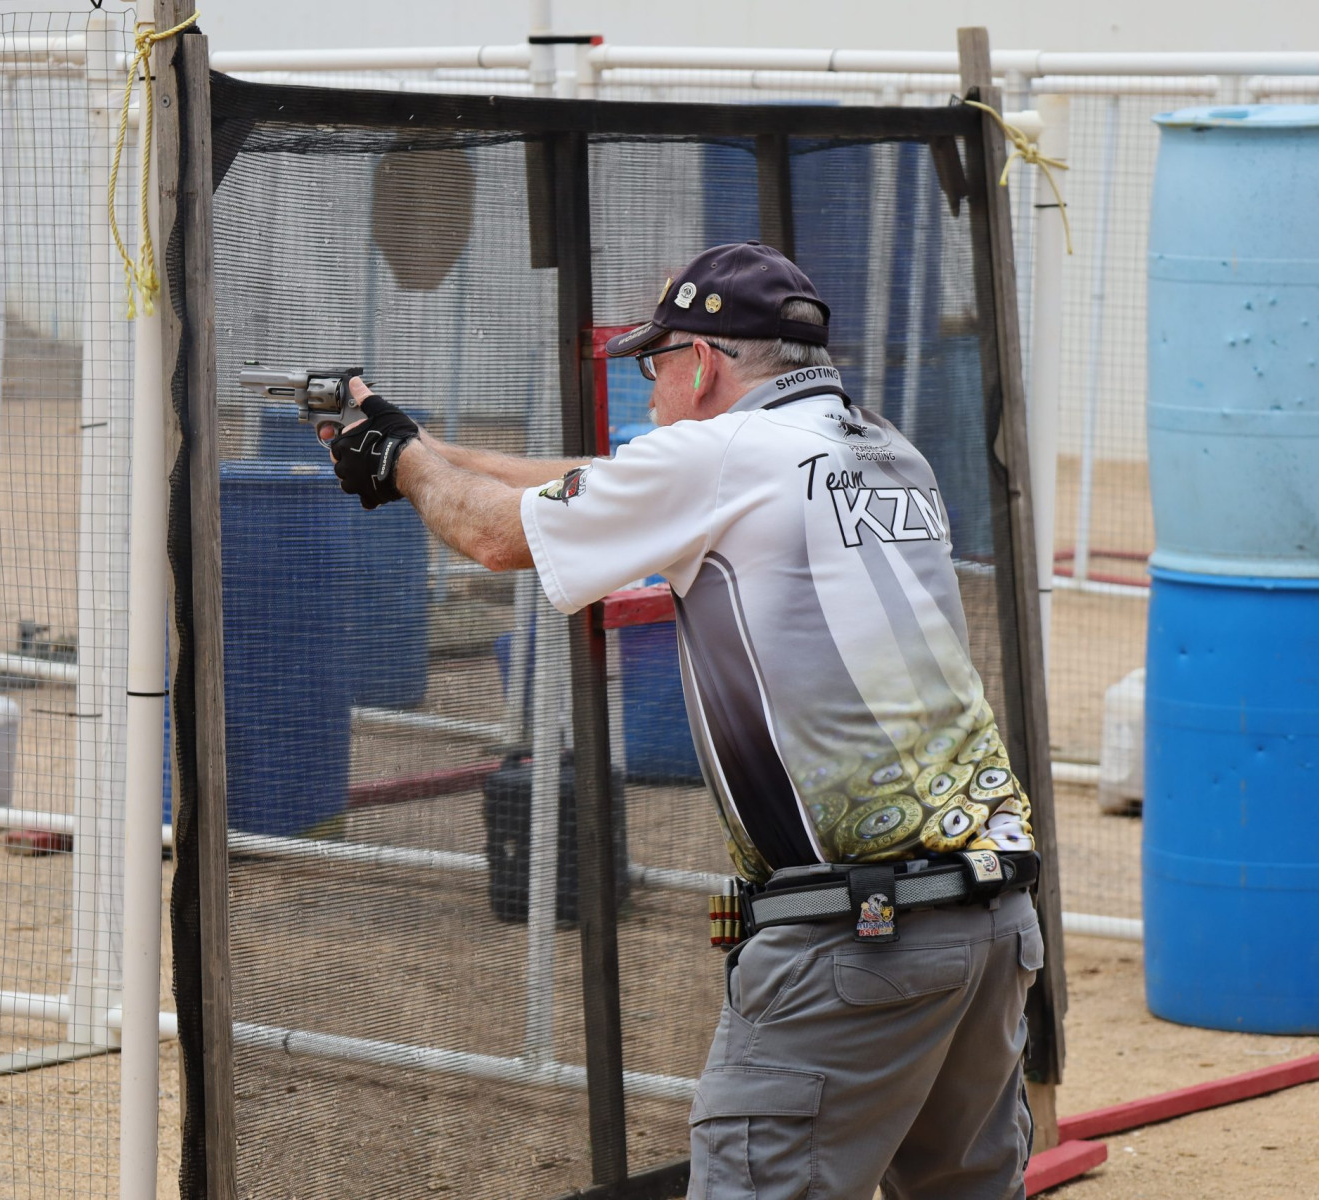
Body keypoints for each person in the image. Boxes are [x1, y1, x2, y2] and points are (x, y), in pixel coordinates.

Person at [328, 241, 1043, 1200]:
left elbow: (495, 534)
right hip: (991, 922)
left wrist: (402, 464)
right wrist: (422, 446)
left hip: (860, 937)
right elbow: (603, 476)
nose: (652, 393)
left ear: (701, 363)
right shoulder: (881, 445)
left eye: (654, 366)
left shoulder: (721, 456)